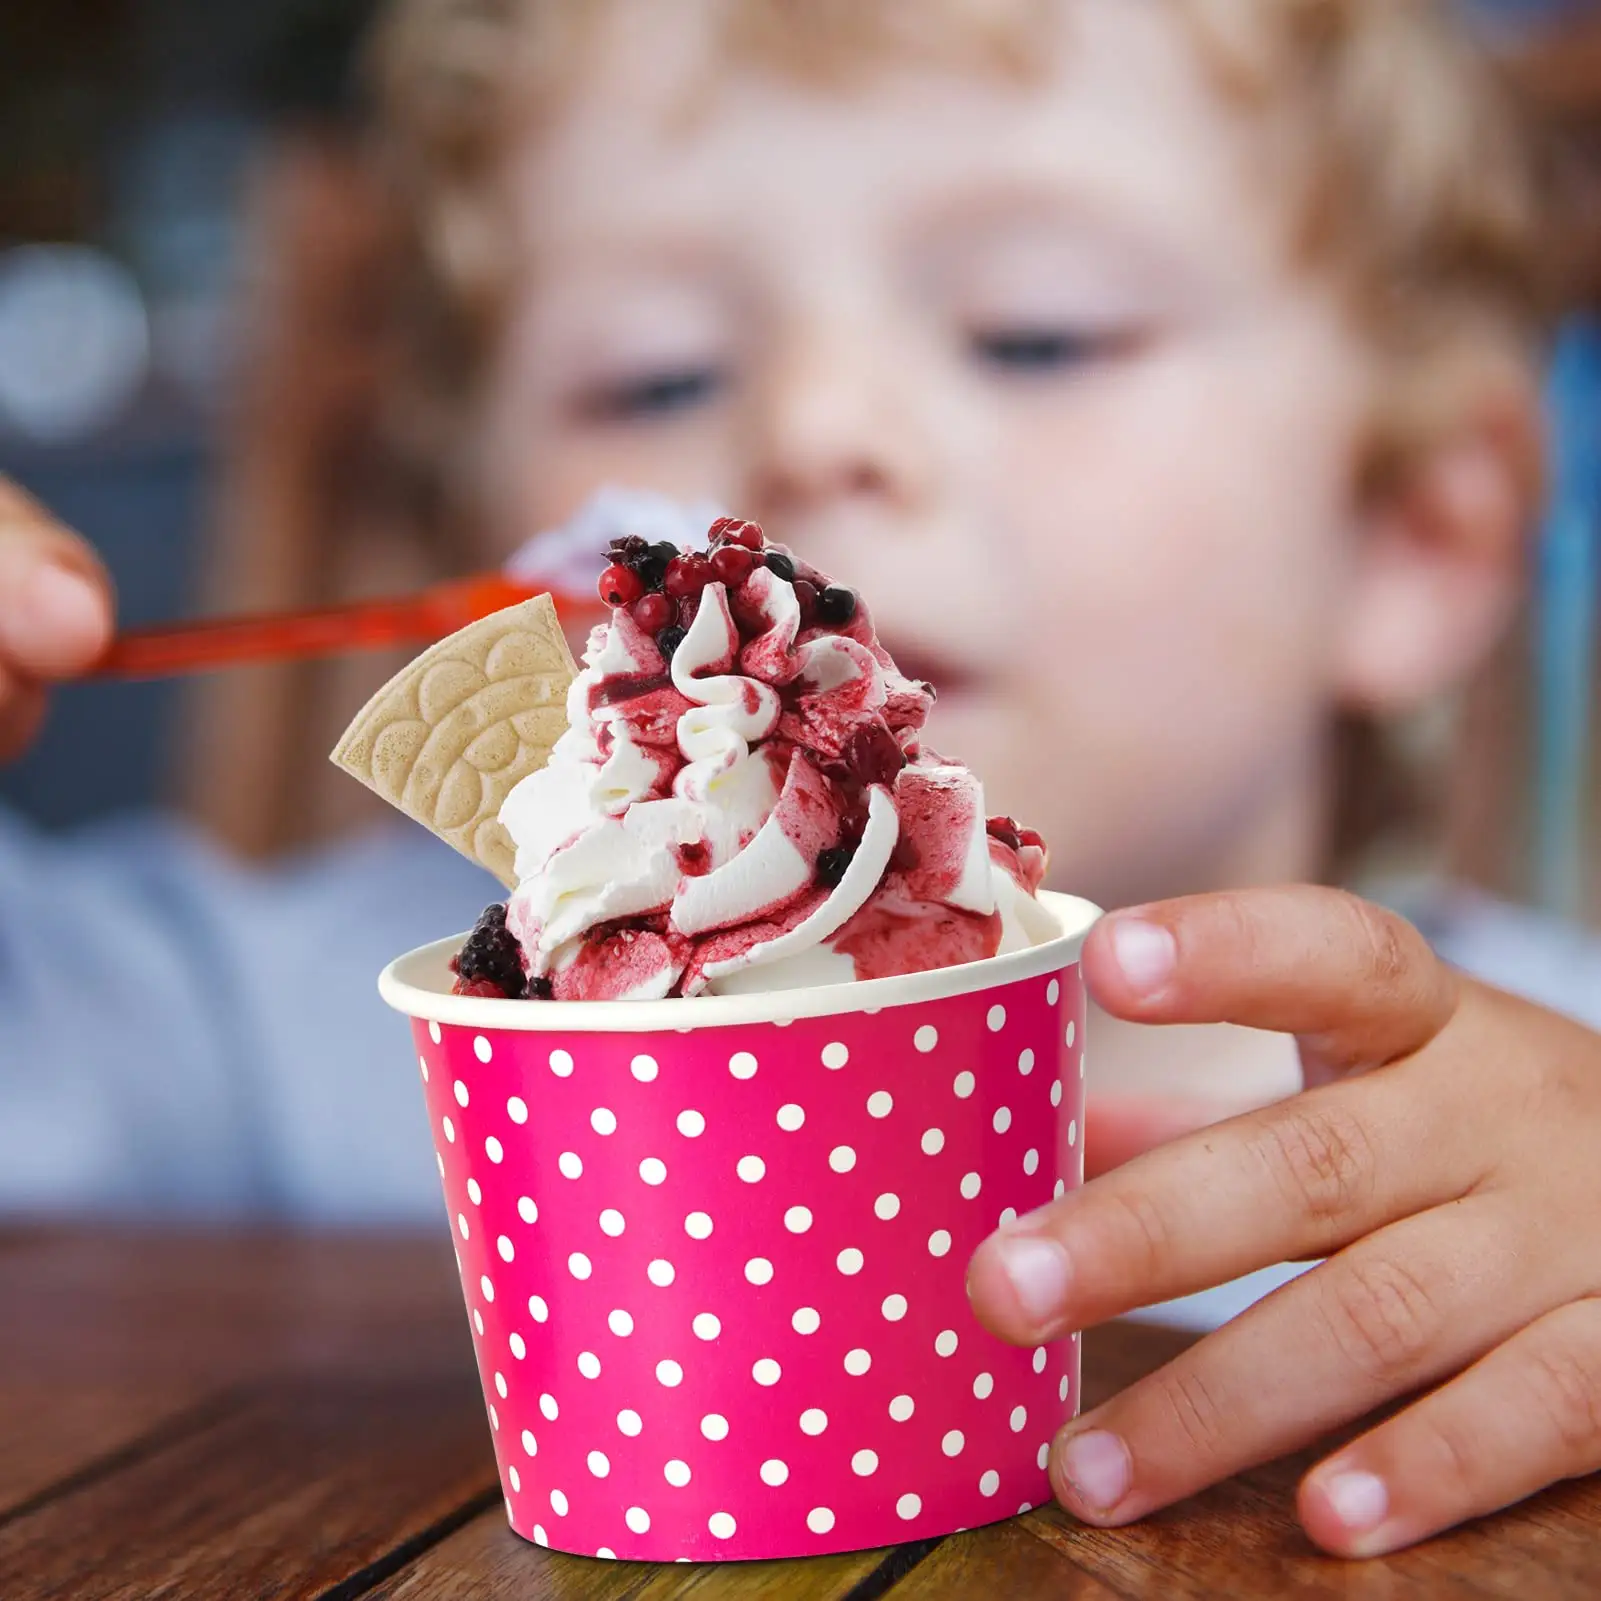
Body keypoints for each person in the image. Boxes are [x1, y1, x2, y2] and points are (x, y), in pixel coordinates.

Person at [2, 0, 1600, 1558]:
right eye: (655, 375)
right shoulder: (278, 1026)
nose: (818, 429)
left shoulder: (1556, 1094)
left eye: (1037, 333)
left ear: (1414, 535)